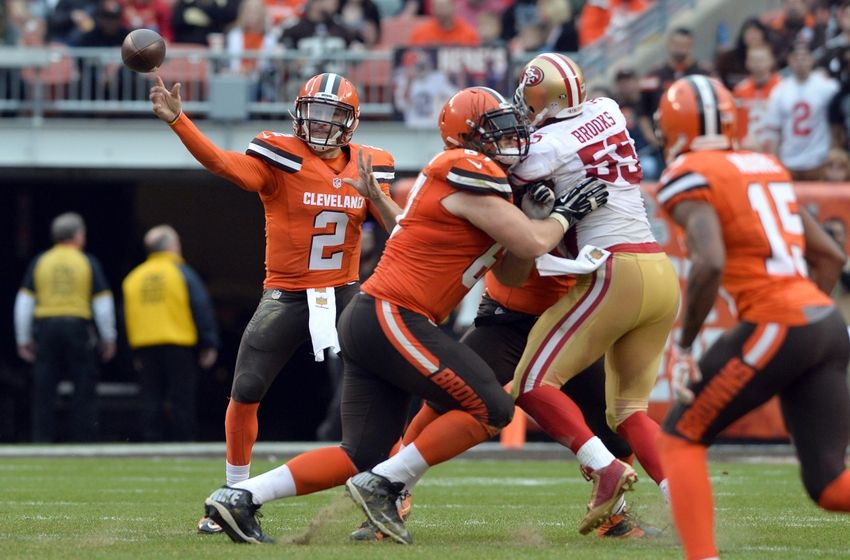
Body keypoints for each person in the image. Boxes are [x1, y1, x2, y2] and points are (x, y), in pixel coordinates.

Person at [201, 86, 609, 545]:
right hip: (393, 314)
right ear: (469, 136)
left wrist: (535, 217)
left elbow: (515, 269)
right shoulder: (463, 166)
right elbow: (534, 244)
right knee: (492, 406)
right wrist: (565, 217)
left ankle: (240, 497)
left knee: (360, 453)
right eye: (495, 127)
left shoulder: (480, 182)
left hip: (373, 317)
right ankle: (385, 484)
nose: (510, 135)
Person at [147, 71, 402, 533]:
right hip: (286, 292)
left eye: (333, 117)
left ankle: (393, 495)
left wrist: (376, 196)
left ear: (352, 123)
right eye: (315, 114)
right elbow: (225, 165)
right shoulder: (279, 155)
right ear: (298, 114)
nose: (321, 126)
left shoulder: (371, 163)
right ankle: (231, 493)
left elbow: (401, 232)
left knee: (381, 389)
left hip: (346, 292)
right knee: (246, 388)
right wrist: (179, 120)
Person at [655, 75, 850, 560]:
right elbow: (828, 255)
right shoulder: (766, 164)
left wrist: (683, 345)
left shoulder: (688, 171)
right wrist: (803, 322)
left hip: (779, 319)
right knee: (831, 486)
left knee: (680, 439)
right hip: (824, 322)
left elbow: (710, 262)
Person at [510, 52, 680, 534]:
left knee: (531, 383)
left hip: (613, 269)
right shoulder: (606, 109)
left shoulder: (542, 146)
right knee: (628, 410)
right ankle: (684, 496)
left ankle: (605, 471)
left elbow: (513, 177)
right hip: (659, 270)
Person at [14, 212, 117, 442]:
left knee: (44, 388)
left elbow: (24, 303)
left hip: (47, 328)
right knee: (83, 387)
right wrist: (108, 338)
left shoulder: (41, 261)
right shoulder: (87, 261)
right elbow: (103, 304)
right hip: (77, 328)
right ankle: (83, 439)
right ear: (77, 235)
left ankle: (42, 439)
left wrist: (23, 339)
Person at [122, 225, 220, 442]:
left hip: (145, 347)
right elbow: (200, 307)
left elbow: (128, 316)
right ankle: (182, 442)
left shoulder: (133, 278)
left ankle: (152, 441)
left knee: (150, 398)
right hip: (178, 346)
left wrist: (133, 351)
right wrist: (209, 342)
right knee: (181, 399)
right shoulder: (183, 273)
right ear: (174, 247)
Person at [764, 40, 839, 180]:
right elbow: (774, 130)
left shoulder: (827, 87)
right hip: (788, 160)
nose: (800, 62)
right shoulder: (780, 91)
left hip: (818, 159)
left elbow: (836, 121)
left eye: (804, 57)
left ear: (812, 59)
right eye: (795, 58)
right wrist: (773, 161)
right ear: (789, 61)